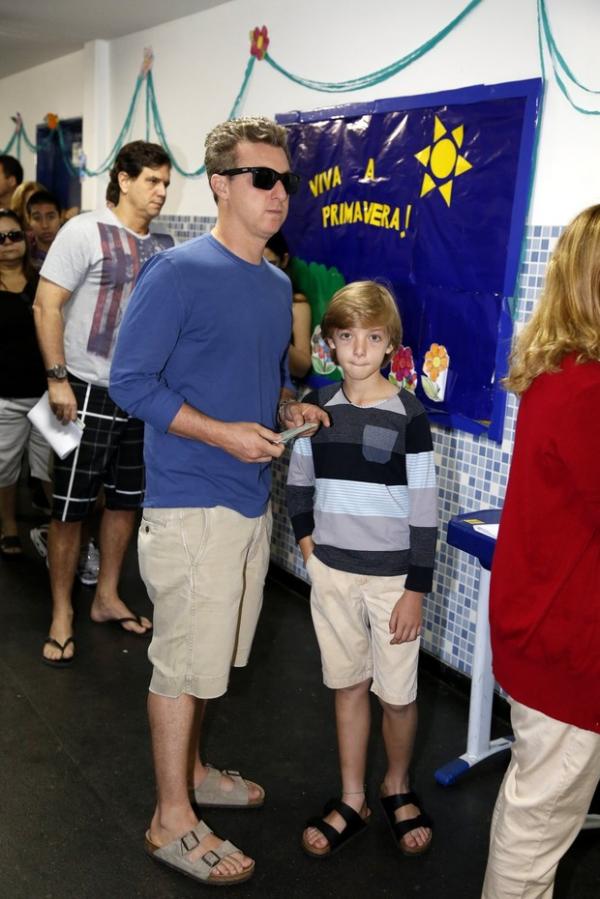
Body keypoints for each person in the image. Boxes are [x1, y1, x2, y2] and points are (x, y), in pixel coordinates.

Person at [109, 116, 329, 887]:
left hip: (246, 500)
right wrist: (221, 435)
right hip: (191, 498)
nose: (279, 194)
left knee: (213, 660)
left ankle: (193, 772)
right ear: (223, 185)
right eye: (262, 179)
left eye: (285, 180)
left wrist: (286, 406)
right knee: (180, 664)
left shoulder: (274, 284)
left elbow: (255, 378)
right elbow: (130, 381)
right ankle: (170, 816)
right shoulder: (178, 272)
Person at [286, 281, 437, 859]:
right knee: (347, 685)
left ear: (390, 343)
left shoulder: (409, 414)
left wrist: (415, 589)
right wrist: (308, 550)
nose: (358, 350)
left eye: (372, 338)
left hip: (395, 582)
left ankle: (395, 783)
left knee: (396, 694)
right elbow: (300, 485)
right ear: (329, 343)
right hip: (333, 576)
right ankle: (353, 797)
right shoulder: (316, 409)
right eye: (346, 337)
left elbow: (424, 509)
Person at [482, 204, 600, 898]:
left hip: (541, 625)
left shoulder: (562, 371)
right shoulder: (587, 389)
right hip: (567, 640)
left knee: (535, 801)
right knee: (539, 823)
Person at [32, 140, 173, 667]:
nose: (161, 191)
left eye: (165, 182)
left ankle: (107, 596)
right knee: (69, 507)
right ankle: (62, 611)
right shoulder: (82, 230)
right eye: (152, 181)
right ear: (123, 179)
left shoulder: (162, 243)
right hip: (81, 390)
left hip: (140, 394)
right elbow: (47, 306)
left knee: (124, 501)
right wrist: (56, 380)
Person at [0, 209, 50, 556]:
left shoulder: (45, 281)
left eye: (13, 235)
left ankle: (60, 527)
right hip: (6, 396)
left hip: (50, 394)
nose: (7, 244)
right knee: (5, 469)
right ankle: (9, 527)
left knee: (54, 466)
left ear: (26, 237)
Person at [264, 231, 312, 379]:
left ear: (284, 260)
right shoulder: (238, 297)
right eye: (256, 264)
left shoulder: (296, 304)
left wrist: (271, 335)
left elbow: (303, 367)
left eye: (271, 264)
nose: (263, 272)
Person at [26, 189, 62, 269]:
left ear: (60, 217)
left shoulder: (74, 249)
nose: (45, 225)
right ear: (29, 220)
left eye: (51, 217)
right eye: (37, 218)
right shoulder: (24, 254)